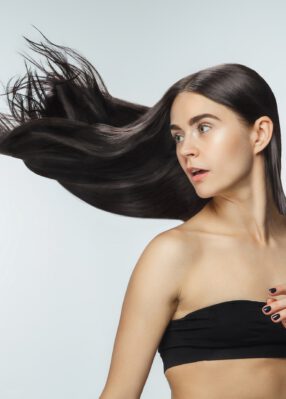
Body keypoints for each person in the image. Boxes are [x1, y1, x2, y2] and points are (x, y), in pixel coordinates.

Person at [1, 29, 286, 399]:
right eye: (179, 136)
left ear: (259, 134)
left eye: (203, 128)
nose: (187, 150)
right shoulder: (173, 254)